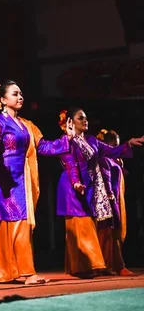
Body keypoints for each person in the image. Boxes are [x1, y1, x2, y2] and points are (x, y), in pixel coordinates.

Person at [0, 80, 70, 285]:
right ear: (3, 100)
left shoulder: (27, 125)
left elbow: (44, 147)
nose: (20, 97)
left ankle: (4, 272)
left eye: (21, 93)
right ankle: (26, 272)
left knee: (17, 224)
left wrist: (68, 139)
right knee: (14, 224)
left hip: (20, 179)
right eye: (14, 94)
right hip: (3, 178)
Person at [56, 109, 142, 278]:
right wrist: (75, 182)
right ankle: (86, 266)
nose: (85, 120)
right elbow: (69, 162)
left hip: (86, 188)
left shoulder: (92, 141)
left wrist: (129, 144)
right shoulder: (67, 141)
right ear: (71, 123)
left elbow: (112, 151)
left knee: (83, 227)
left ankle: (80, 267)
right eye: (81, 118)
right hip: (71, 188)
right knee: (79, 228)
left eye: (86, 117)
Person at [96, 129, 136, 276]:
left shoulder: (113, 159)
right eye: (114, 145)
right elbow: (105, 178)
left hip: (117, 198)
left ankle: (112, 264)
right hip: (109, 198)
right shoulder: (103, 159)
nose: (116, 149)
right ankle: (112, 265)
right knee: (108, 232)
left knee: (114, 232)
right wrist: (109, 195)